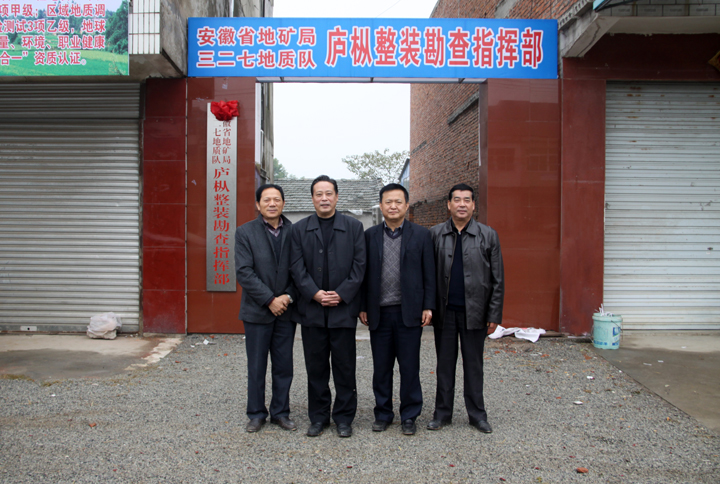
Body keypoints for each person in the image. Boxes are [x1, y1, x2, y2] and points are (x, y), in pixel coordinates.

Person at [290, 175, 366, 438]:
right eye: (319, 194)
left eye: (329, 193)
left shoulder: (354, 227)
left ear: (336, 196)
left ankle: (344, 418)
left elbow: (360, 266)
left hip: (343, 311)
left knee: (345, 367)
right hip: (312, 311)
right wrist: (314, 294)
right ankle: (319, 417)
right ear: (312, 198)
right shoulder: (299, 229)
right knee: (316, 368)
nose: (324, 198)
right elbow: (296, 267)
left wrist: (341, 294)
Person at [427, 183, 504, 433]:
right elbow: (427, 275)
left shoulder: (488, 235)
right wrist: (428, 307)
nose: (462, 204)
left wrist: (494, 313)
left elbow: (498, 279)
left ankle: (477, 415)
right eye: (457, 200)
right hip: (445, 312)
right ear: (448, 204)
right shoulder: (435, 234)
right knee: (444, 365)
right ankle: (442, 414)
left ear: (473, 205)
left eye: (467, 200)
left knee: (474, 366)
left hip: (476, 313)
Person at [359, 183, 435, 436]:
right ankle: (383, 413)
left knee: (409, 367)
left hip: (409, 312)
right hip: (379, 312)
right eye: (388, 202)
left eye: (398, 202)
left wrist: (428, 305)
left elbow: (429, 273)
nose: (393, 206)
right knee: (381, 368)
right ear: (381, 206)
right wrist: (363, 306)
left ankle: (409, 415)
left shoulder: (421, 235)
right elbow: (362, 275)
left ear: (406, 205)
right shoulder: (369, 236)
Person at [234, 184, 298, 433]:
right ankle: (256, 413)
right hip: (257, 311)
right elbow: (244, 272)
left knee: (284, 366)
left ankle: (280, 412)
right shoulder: (245, 232)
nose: (272, 204)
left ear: (283, 203)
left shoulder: (295, 232)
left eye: (277, 199)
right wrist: (270, 299)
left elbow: (301, 270)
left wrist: (287, 297)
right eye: (267, 200)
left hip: (286, 311)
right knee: (256, 366)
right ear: (257, 204)